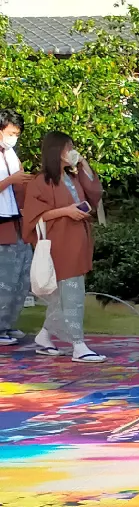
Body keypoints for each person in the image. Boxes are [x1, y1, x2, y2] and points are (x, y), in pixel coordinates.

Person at [22, 132, 105, 362]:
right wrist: (66, 211)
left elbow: (94, 193)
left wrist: (83, 162)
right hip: (59, 242)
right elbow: (33, 215)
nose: (71, 151)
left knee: (62, 295)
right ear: (56, 150)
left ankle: (44, 336)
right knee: (72, 291)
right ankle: (78, 344)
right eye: (68, 147)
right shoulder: (41, 181)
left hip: (76, 238)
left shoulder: (72, 176)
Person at [0, 111, 29, 346]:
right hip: (2, 224)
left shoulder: (10, 153)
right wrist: (11, 181)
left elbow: (19, 176)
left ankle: (8, 324)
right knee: (4, 278)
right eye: (11, 133)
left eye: (16, 134)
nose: (14, 138)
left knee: (21, 276)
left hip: (17, 219)